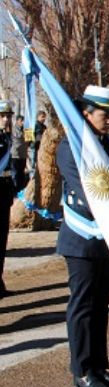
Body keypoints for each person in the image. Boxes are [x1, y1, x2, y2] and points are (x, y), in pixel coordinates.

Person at [56, 86, 109, 387]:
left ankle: (99, 364)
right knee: (83, 305)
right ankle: (83, 370)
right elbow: (89, 193)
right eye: (104, 114)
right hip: (83, 237)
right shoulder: (69, 146)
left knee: (101, 303)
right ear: (85, 114)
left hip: (107, 238)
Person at [0, 101, 15, 298]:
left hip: (4, 191)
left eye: (8, 115)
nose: (6, 119)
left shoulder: (6, 137)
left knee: (2, 240)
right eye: (2, 115)